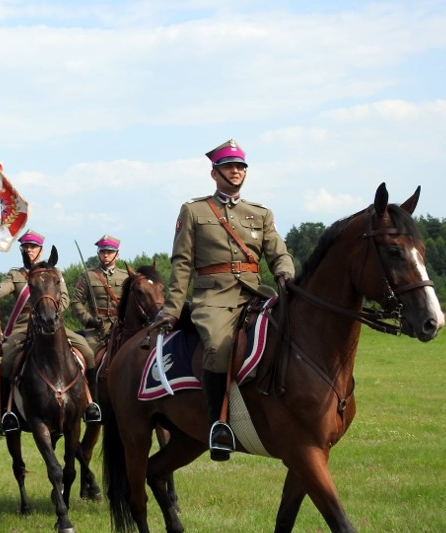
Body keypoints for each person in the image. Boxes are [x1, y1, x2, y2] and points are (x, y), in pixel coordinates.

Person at [150, 139, 295, 461]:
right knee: (218, 347)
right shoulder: (194, 211)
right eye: (229, 166)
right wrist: (172, 309)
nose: (236, 171)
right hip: (213, 298)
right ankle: (219, 424)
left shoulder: (260, 213)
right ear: (214, 173)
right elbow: (182, 263)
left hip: (255, 294)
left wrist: (285, 274)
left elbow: (278, 253)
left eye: (241, 167)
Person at [0, 229, 101, 431]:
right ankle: (7, 412)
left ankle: (91, 404)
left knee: (87, 352)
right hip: (25, 326)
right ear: (22, 250)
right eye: (26, 247)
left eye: (33, 247)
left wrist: (50, 312)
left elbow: (64, 299)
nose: (30, 250)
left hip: (54, 325)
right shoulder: (16, 274)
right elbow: (4, 289)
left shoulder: (54, 273)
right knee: (6, 363)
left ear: (40, 249)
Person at [71, 234, 129, 355]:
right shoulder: (88, 276)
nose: (106, 255)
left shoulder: (126, 277)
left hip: (121, 327)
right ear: (98, 253)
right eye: (103, 251)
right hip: (96, 331)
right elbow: (76, 302)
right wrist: (89, 320)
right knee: (90, 358)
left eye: (110, 251)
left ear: (117, 255)